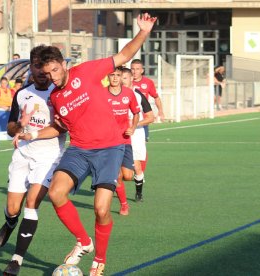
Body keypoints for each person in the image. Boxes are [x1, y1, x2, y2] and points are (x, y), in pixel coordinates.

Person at [18, 13, 157, 276]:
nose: (52, 77)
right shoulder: (55, 97)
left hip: (109, 148)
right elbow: (59, 127)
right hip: (79, 148)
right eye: (47, 73)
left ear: (63, 64)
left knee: (101, 208)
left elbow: (124, 55)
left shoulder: (88, 70)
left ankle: (99, 259)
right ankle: (84, 242)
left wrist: (144, 32)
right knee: (57, 193)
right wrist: (32, 134)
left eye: (55, 70)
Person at [0, 46, 66, 276]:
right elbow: (10, 128)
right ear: (32, 68)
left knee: (32, 204)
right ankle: (9, 223)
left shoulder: (58, 94)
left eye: (46, 67)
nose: (43, 72)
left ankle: (16, 260)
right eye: (37, 66)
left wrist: (35, 132)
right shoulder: (22, 94)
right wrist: (21, 124)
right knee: (13, 208)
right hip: (23, 153)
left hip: (49, 156)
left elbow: (61, 127)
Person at [105, 66, 140, 216]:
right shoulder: (101, 93)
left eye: (117, 75)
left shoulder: (128, 93)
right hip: (107, 141)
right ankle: (124, 205)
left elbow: (136, 113)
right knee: (117, 175)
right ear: (107, 76)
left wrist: (132, 127)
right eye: (112, 75)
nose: (114, 78)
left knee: (127, 175)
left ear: (121, 77)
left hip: (125, 139)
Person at [122, 67, 155, 202]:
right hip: (117, 135)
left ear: (131, 78)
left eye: (124, 78)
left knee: (135, 169)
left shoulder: (138, 95)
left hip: (135, 135)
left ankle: (138, 192)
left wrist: (134, 125)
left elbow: (150, 117)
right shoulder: (112, 94)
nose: (121, 81)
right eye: (119, 77)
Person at [131, 59, 164, 142]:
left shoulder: (148, 82)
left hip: (143, 119)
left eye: (137, 69)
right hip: (130, 118)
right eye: (133, 69)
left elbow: (156, 97)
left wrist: (160, 111)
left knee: (143, 144)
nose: (135, 72)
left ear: (142, 70)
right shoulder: (126, 81)